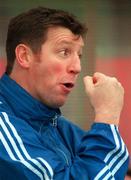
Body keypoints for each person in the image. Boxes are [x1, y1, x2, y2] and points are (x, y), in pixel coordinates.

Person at [0, 6, 129, 180]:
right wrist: (107, 114)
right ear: (24, 56)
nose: (77, 67)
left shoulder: (57, 125)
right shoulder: (4, 127)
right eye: (64, 52)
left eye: (79, 55)